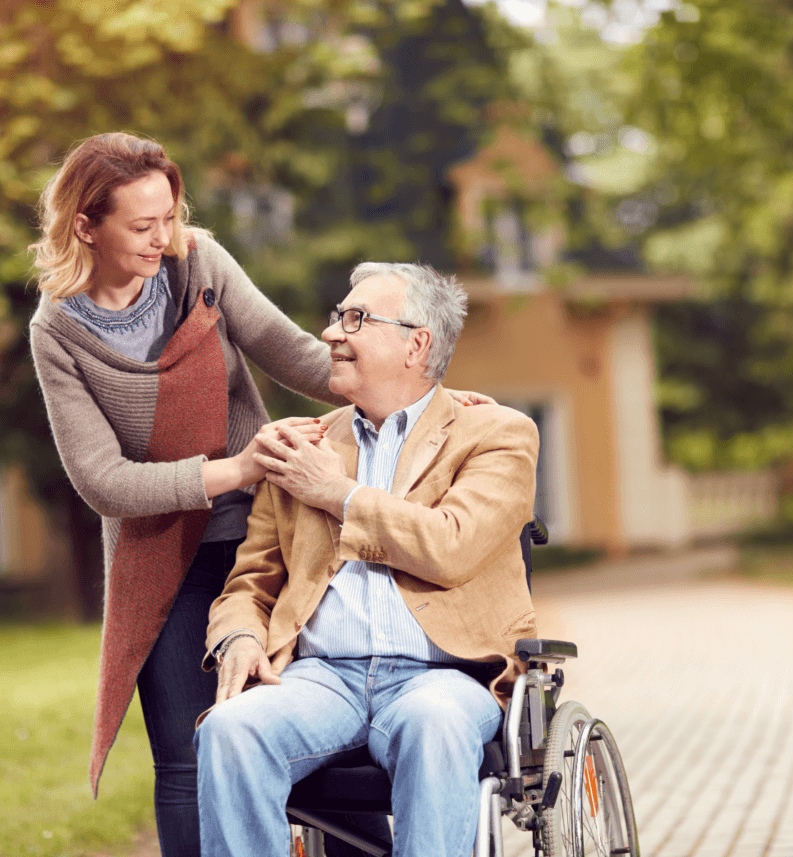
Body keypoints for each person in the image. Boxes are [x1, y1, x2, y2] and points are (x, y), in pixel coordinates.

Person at [27, 132, 489, 857]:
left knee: (331, 721)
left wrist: (431, 397)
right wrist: (236, 470)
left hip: (267, 530)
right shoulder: (58, 332)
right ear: (87, 226)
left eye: (170, 217)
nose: (163, 238)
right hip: (163, 554)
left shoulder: (197, 264)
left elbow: (298, 353)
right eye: (142, 226)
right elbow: (102, 481)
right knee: (187, 755)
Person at [194, 261, 539, 857]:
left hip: (444, 676)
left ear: (417, 343)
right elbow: (249, 584)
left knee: (435, 726)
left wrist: (339, 495)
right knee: (229, 729)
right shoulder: (303, 443)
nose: (331, 333)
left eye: (355, 318)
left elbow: (451, 546)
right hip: (320, 677)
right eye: (335, 317)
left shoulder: (498, 434)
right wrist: (239, 639)